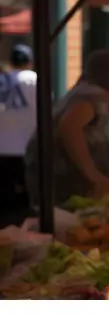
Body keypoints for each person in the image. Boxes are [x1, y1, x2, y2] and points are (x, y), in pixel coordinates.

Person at [24, 50, 109, 207]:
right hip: (63, 187)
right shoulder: (95, 96)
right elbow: (69, 127)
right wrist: (94, 176)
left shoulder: (80, 92)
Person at [0, 45, 37, 225]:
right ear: (29, 62)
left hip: (2, 147)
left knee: (5, 198)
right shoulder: (34, 80)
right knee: (25, 200)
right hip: (26, 147)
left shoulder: (2, 79)